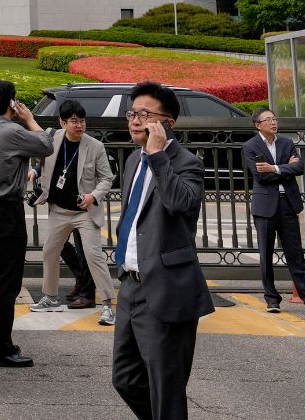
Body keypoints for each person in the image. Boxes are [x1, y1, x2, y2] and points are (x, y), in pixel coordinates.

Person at [110, 81, 214, 420]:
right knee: (124, 378)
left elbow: (181, 203)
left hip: (167, 289)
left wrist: (157, 156)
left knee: (167, 388)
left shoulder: (187, 163)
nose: (136, 120)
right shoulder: (132, 162)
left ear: (168, 122)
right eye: (132, 113)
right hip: (131, 285)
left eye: (145, 114)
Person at [0, 78, 51, 369]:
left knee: (5, 279)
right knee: (9, 281)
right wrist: (29, 118)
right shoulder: (11, 130)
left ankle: (1, 344)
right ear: (11, 103)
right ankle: (0, 348)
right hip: (7, 209)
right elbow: (46, 144)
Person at [30, 100, 116, 326]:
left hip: (84, 212)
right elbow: (43, 159)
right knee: (49, 251)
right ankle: (50, 297)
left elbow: (107, 178)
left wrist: (93, 196)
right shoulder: (54, 138)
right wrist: (35, 170)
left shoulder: (95, 146)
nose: (79, 125)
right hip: (58, 210)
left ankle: (107, 304)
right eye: (74, 121)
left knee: (93, 255)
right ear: (63, 122)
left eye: (82, 120)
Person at [243, 106, 305, 318]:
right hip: (265, 208)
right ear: (258, 125)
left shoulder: (286, 142)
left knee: (296, 255)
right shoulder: (250, 146)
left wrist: (273, 168)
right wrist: (285, 169)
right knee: (266, 255)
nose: (273, 123)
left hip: (288, 205)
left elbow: (298, 168)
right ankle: (272, 299)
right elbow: (260, 176)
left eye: (274, 119)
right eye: (268, 120)